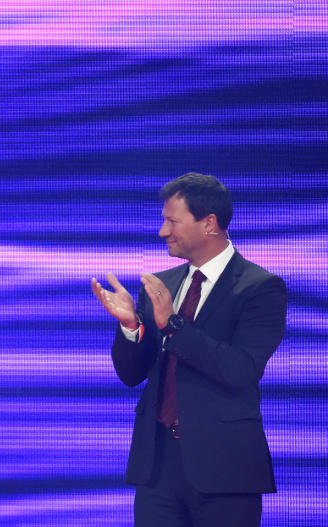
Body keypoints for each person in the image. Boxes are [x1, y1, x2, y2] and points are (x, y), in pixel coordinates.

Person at [91, 173, 286, 527]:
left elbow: (240, 370)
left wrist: (173, 325)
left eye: (172, 221)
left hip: (225, 469)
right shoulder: (161, 286)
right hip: (157, 468)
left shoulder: (259, 288)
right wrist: (131, 326)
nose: (162, 231)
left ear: (209, 224)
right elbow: (132, 375)